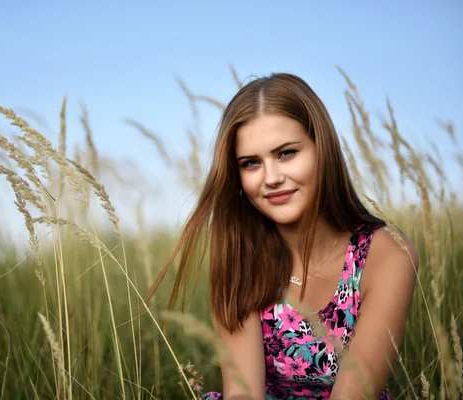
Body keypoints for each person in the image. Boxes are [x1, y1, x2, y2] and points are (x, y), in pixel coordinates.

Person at [145, 73, 419, 399]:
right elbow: (243, 394)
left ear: (323, 150)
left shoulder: (386, 255)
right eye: (251, 163)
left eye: (286, 153)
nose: (272, 178)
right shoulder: (242, 255)